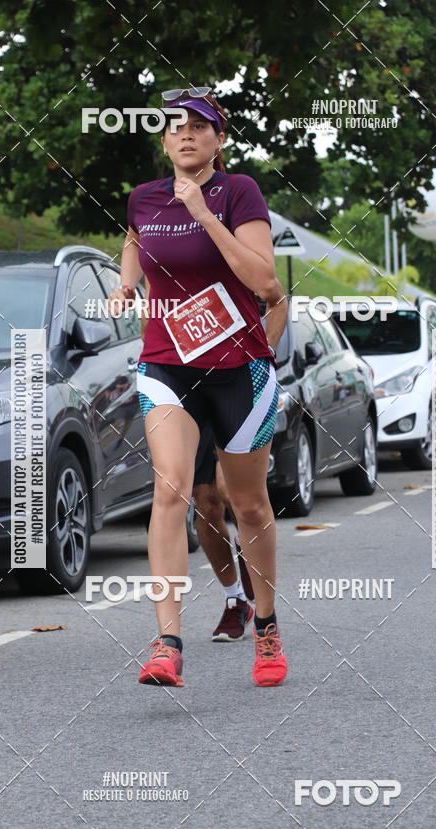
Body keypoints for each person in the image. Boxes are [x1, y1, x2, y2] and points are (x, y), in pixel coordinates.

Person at [109, 88, 289, 685]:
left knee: (248, 503)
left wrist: (203, 214)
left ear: (219, 138)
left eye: (199, 126)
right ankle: (167, 642)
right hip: (166, 363)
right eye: (174, 127)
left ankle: (265, 626)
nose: (185, 134)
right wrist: (126, 283)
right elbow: (136, 237)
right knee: (171, 491)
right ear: (163, 141)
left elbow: (265, 281)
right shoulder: (143, 198)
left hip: (240, 368)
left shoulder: (239, 192)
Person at [192, 426, 256, 641]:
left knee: (230, 491)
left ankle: (247, 546)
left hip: (234, 399)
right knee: (207, 504)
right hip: (194, 404)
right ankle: (235, 600)